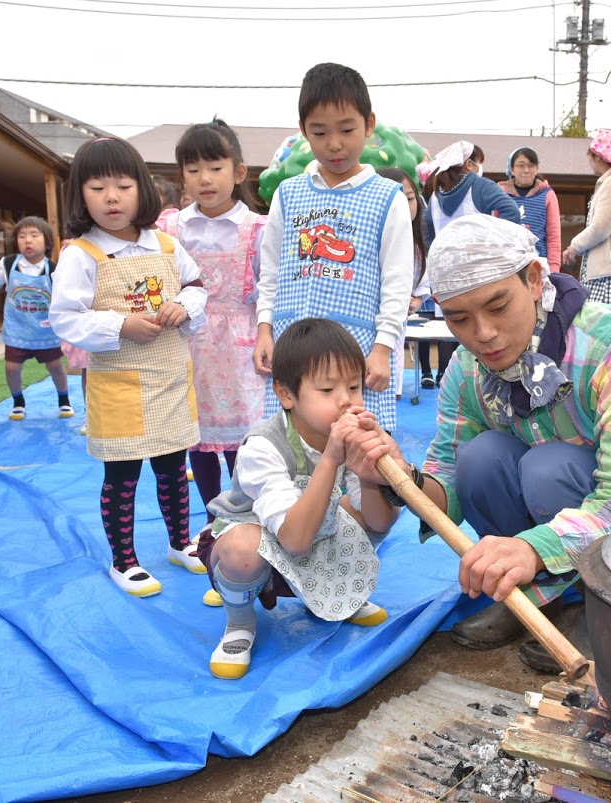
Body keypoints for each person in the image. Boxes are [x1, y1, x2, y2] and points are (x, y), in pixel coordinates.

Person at [343, 214, 611, 672]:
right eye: (459, 318)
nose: (482, 334)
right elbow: (448, 481)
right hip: (554, 528)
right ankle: (534, 598)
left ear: (536, 280)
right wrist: (401, 478)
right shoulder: (466, 368)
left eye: (498, 307)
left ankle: (602, 609)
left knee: (547, 468)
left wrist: (533, 548)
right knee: (479, 459)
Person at [49, 137, 209, 598]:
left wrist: (183, 305)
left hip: (169, 377)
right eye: (98, 188)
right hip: (118, 385)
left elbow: (197, 284)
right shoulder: (81, 254)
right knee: (122, 476)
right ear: (80, 195)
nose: (112, 197)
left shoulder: (165, 244)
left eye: (122, 185)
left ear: (142, 189)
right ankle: (125, 561)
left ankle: (181, 542)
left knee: (173, 467)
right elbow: (65, 316)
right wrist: (121, 325)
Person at [200, 317, 399, 680]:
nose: (345, 401)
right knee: (244, 549)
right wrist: (332, 459)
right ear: (286, 394)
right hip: (257, 534)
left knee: (363, 513)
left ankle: (339, 595)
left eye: (354, 387)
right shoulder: (262, 446)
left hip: (310, 532)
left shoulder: (355, 437)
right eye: (327, 390)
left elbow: (380, 522)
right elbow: (292, 540)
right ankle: (240, 622)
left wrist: (372, 478)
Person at [253, 62, 414, 434]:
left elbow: (397, 280)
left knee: (358, 448)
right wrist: (265, 329)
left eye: (346, 129)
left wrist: (383, 348)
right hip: (291, 341)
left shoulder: (386, 197)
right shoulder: (288, 193)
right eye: (320, 132)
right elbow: (271, 269)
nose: (335, 144)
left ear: (369, 124)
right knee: (290, 445)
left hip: (355, 349)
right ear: (303, 132)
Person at [157, 119, 267, 530]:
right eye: (193, 168)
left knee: (246, 441)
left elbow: (269, 287)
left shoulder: (258, 228)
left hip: (240, 349)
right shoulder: (168, 229)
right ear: (181, 175)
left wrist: (267, 335)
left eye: (216, 167)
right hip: (187, 346)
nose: (205, 178)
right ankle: (210, 520)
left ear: (238, 172)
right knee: (196, 440)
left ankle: (246, 519)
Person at [422, 141, 521, 386]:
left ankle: (447, 376)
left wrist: (438, 257)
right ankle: (481, 381)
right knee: (484, 328)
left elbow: (426, 230)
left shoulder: (436, 195)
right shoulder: (480, 186)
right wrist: (496, 248)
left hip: (447, 277)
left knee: (454, 325)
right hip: (481, 272)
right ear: (468, 164)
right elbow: (511, 212)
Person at [0, 216, 74, 421]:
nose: (27, 240)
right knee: (11, 368)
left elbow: (64, 296)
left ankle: (64, 400)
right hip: (16, 329)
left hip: (45, 330)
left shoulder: (53, 269)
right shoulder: (9, 264)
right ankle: (18, 402)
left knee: (55, 366)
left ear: (46, 242)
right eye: (22, 236)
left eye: (34, 235)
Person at [563, 130, 611, 312]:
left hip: (610, 273)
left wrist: (574, 247)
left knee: (605, 331)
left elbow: (600, 228)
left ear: (597, 156)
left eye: (590, 157)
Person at [375, 166, 429, 400]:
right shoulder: (366, 242)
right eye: (392, 199)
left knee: (387, 391)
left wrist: (414, 302)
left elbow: (422, 288)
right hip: (368, 327)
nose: (402, 206)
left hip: (395, 332)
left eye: (408, 198)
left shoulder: (417, 248)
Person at [499, 148, 562, 273]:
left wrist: (554, 269)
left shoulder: (547, 194)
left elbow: (553, 237)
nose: (526, 170)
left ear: (537, 168)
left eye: (531, 165)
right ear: (512, 169)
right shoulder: (500, 193)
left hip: (538, 264)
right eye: (521, 165)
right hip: (506, 265)